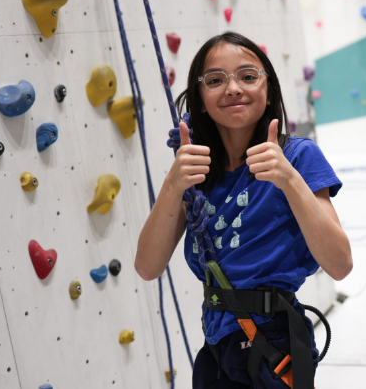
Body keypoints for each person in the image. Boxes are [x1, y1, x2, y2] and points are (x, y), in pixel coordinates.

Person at [135, 32, 352, 389]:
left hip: (273, 341)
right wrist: (173, 184)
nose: (233, 89)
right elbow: (147, 267)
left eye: (248, 77)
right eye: (215, 80)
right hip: (217, 344)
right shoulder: (198, 171)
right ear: (200, 100)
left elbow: (340, 265)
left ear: (269, 91)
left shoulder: (298, 157)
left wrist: (289, 179)